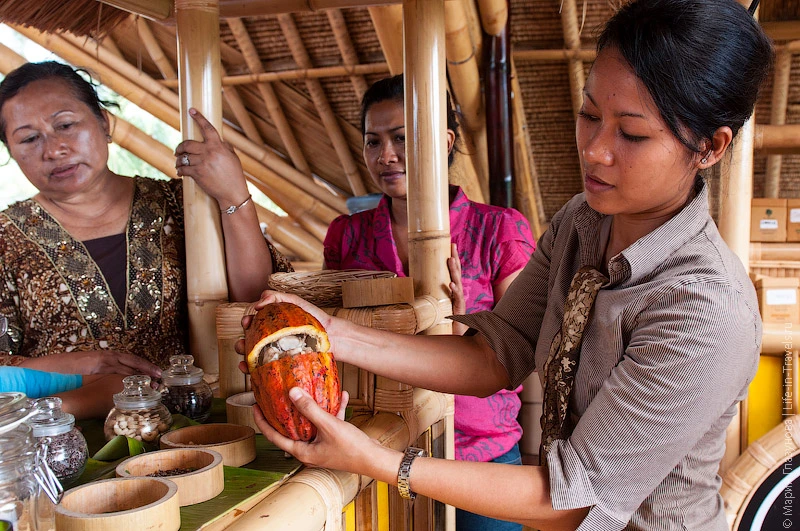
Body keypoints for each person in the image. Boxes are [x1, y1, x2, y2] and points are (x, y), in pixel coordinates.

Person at [243, 0, 773, 529]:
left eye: (631, 134)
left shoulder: (705, 310)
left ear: (709, 146)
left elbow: (575, 501)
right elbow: (494, 356)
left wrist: (376, 461)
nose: (594, 150)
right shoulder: (580, 223)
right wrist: (327, 330)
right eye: (589, 115)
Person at [323, 74, 536, 531]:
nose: (386, 155)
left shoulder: (500, 231)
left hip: (481, 458)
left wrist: (461, 331)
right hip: (373, 448)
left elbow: (521, 355)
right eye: (373, 141)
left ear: (444, 141)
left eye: (402, 138)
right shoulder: (348, 237)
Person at [0, 61, 292, 377]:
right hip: (63, 423)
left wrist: (234, 195)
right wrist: (77, 365)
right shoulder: (5, 239)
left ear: (104, 123)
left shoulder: (183, 205)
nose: (54, 150)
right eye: (29, 139)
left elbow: (260, 307)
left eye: (66, 125)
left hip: (199, 417)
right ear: (11, 151)